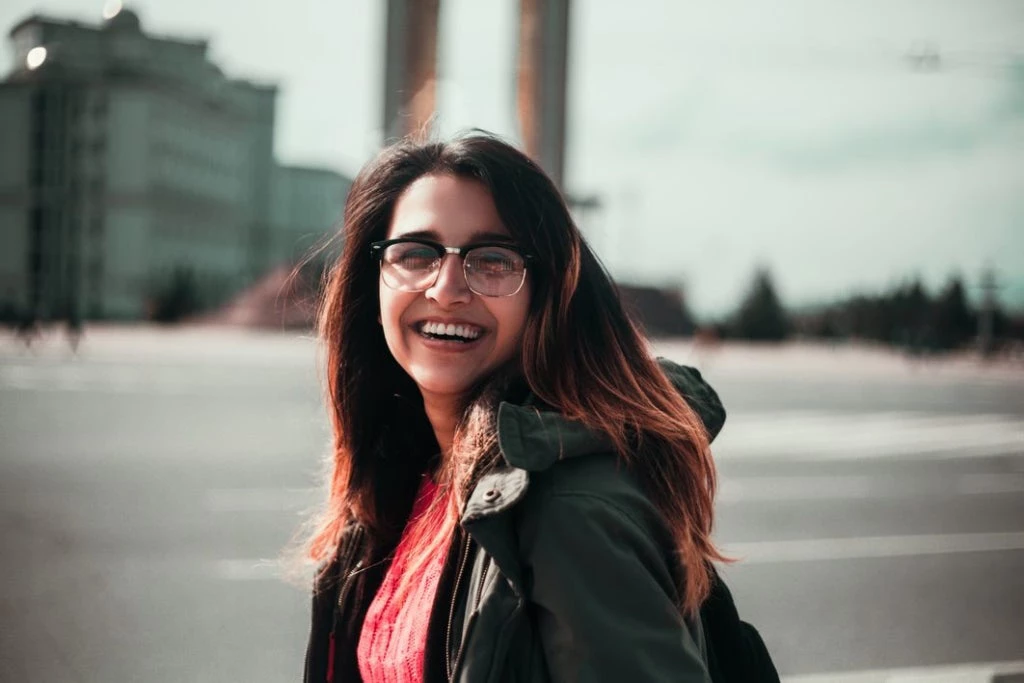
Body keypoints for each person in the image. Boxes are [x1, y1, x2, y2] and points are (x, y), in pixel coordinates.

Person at [302, 133, 731, 683]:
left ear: (546, 294)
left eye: (493, 260)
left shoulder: (568, 510)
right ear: (373, 283)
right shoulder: (395, 484)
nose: (447, 289)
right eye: (415, 253)